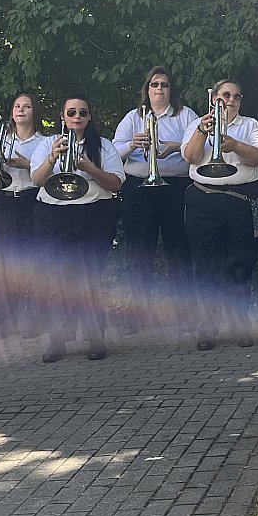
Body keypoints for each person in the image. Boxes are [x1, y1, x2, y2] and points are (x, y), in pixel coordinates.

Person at [30, 96, 123, 362]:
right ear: (62, 116)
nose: (77, 116)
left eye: (83, 112)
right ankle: (57, 341)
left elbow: (116, 183)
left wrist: (89, 167)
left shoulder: (103, 146)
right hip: (53, 216)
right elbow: (36, 180)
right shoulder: (47, 143)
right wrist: (52, 158)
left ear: (89, 117)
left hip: (94, 215)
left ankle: (95, 338)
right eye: (71, 112)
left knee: (89, 277)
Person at [112, 67, 200, 331]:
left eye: (164, 84)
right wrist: (132, 144)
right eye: (154, 84)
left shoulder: (186, 115)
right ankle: (138, 315)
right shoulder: (133, 117)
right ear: (147, 89)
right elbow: (113, 151)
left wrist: (175, 147)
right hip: (139, 189)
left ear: (171, 89)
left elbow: (199, 147)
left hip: (176, 187)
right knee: (139, 250)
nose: (159, 89)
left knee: (179, 249)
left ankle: (185, 315)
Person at [182, 81, 258, 348]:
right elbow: (190, 157)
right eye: (225, 95)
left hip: (241, 199)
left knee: (240, 264)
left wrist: (236, 146)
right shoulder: (197, 124)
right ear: (215, 99)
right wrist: (201, 131)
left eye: (236, 96)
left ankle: (240, 325)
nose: (231, 100)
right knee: (205, 265)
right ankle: (208, 327)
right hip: (204, 200)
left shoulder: (250, 125)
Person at [0, 91, 49, 339]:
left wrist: (27, 164)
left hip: (31, 200)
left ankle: (34, 320)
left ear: (34, 112)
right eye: (17, 106)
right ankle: (4, 324)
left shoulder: (44, 142)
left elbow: (47, 173)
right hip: (4, 201)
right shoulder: (3, 139)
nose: (21, 110)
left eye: (27, 106)